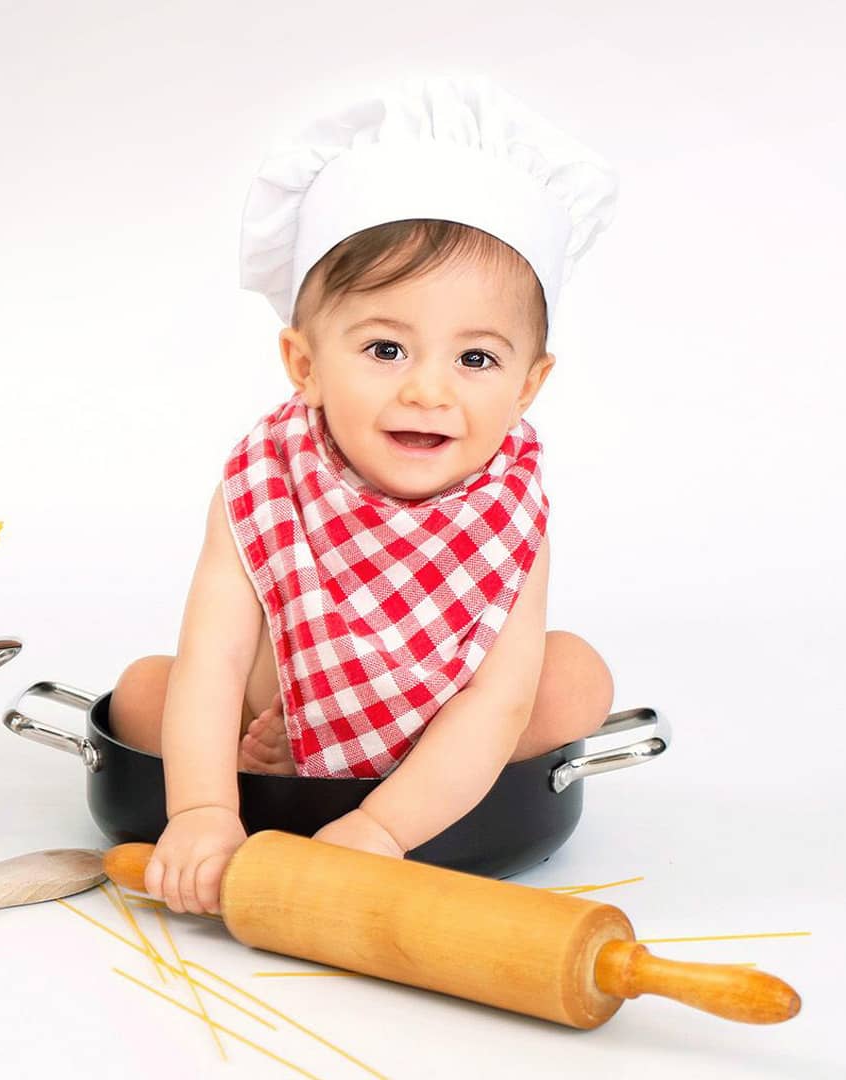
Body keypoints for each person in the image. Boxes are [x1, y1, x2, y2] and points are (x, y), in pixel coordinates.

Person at [111, 76, 623, 914]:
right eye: (386, 349)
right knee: (143, 692)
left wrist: (381, 828)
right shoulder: (265, 481)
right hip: (285, 707)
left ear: (529, 386)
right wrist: (202, 810)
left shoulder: (509, 509)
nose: (428, 391)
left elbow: (498, 702)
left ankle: (382, 791)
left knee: (574, 678)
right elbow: (216, 659)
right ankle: (264, 771)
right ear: (305, 365)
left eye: (477, 359)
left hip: (450, 740)